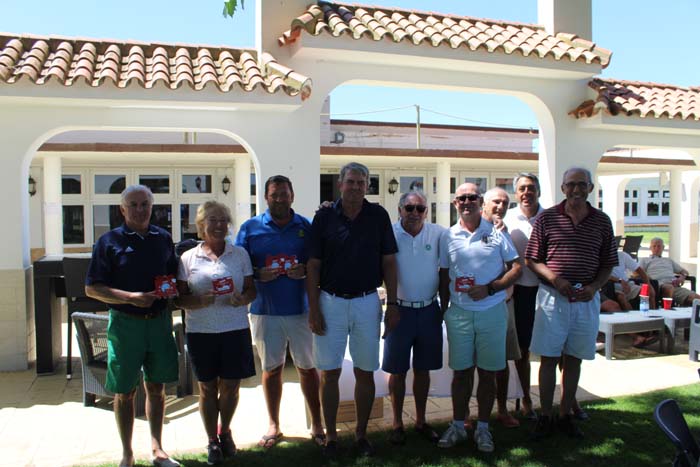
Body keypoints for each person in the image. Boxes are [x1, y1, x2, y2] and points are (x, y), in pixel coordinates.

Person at [306, 162, 399, 458]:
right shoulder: (324, 217)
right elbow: (313, 266)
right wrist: (313, 309)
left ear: (367, 186)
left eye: (361, 182)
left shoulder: (378, 216)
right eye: (351, 181)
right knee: (329, 372)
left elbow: (389, 262)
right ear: (340, 184)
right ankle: (332, 437)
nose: (356, 187)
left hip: (367, 302)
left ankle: (361, 434)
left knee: (365, 371)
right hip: (330, 302)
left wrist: (393, 303)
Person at [85, 185, 181, 467]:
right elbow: (92, 288)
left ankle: (157, 448)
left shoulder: (163, 238)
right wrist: (131, 298)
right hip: (126, 325)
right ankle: (127, 453)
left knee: (157, 387)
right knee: (124, 391)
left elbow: (173, 277)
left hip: (159, 323)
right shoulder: (108, 241)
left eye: (145, 204)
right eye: (134, 205)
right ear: (122, 209)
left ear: (152, 207)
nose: (140, 210)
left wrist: (175, 291)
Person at [525, 167, 618, 439]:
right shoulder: (547, 218)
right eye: (571, 184)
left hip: (585, 299)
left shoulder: (602, 221)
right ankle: (545, 416)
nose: (576, 189)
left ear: (590, 188)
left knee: (575, 358)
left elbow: (608, 263)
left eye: (581, 184)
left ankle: (565, 414)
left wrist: (595, 287)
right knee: (548, 358)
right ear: (563, 188)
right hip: (553, 298)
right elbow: (532, 259)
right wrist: (556, 280)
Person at [235, 175, 324, 449]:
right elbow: (239, 266)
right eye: (274, 195)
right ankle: (274, 424)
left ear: (292, 196)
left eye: (284, 194)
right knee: (271, 369)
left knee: (307, 368)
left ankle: (317, 423)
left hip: (301, 310)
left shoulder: (306, 227)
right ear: (266, 197)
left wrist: (304, 270)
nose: (279, 199)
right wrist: (257, 273)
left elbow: (318, 263)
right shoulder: (250, 228)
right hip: (265, 311)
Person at [437, 183, 521, 452]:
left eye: (472, 197)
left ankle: (483, 428)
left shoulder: (496, 232)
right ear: (455, 203)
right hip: (459, 314)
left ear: (480, 201)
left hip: (492, 312)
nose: (467, 202)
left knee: (487, 373)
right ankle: (458, 426)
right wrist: (445, 309)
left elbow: (517, 267)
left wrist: (491, 288)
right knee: (461, 373)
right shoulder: (447, 236)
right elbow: (443, 275)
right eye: (461, 198)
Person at [176, 201, 256, 465]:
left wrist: (242, 298)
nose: (219, 225)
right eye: (213, 219)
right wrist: (199, 301)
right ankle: (212, 440)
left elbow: (251, 290)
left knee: (231, 386)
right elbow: (179, 299)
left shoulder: (240, 255)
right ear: (201, 225)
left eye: (223, 220)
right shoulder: (188, 258)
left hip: (235, 329)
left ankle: (225, 431)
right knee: (207, 388)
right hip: (201, 332)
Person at [383, 190, 445, 445]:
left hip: (429, 309)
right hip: (399, 310)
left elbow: (448, 268)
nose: (415, 213)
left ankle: (421, 420)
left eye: (420, 209)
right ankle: (397, 423)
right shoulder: (388, 233)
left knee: (423, 369)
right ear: (400, 210)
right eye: (409, 208)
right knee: (397, 371)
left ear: (426, 212)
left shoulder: (438, 233)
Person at [504, 173, 544, 420]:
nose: (526, 192)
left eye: (530, 188)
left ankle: (567, 401)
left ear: (538, 191)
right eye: (521, 189)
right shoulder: (507, 218)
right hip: (519, 292)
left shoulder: (550, 217)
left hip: (548, 290)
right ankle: (526, 398)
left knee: (555, 348)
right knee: (523, 350)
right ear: (516, 193)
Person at [482, 187, 522, 428]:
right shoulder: (470, 230)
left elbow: (515, 268)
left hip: (503, 304)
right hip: (476, 306)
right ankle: (467, 414)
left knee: (502, 361)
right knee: (472, 364)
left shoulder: (504, 233)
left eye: (505, 203)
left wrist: (495, 287)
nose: (501, 206)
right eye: (496, 202)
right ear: (484, 204)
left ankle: (502, 410)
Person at [640, 238, 700, 307]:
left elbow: (685, 272)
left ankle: (686, 312)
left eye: (659, 246)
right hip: (657, 286)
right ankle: (668, 310)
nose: (656, 248)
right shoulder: (645, 260)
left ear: (663, 248)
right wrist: (648, 278)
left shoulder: (668, 260)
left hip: (674, 286)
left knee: (696, 298)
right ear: (650, 248)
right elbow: (636, 273)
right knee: (669, 287)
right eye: (654, 246)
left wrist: (682, 277)